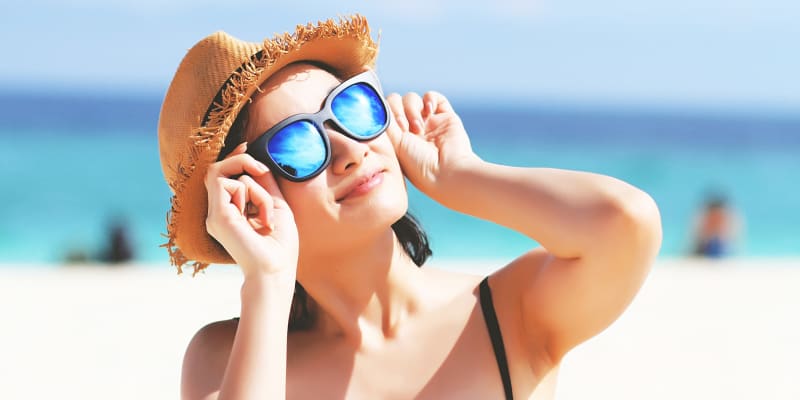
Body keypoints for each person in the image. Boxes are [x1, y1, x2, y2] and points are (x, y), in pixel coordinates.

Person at [158, 15, 662, 400]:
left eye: (352, 108)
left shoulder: (505, 314)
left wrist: (460, 177)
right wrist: (266, 279)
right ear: (248, 199)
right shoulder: (226, 358)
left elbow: (627, 223)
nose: (351, 149)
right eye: (297, 144)